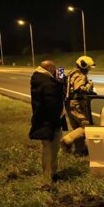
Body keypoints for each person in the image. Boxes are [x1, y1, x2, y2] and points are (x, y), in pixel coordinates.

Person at [29, 60, 65, 190]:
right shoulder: (48, 83)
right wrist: (60, 82)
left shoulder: (39, 79)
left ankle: (53, 175)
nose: (57, 72)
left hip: (45, 121)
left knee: (52, 150)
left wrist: (59, 82)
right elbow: (53, 104)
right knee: (49, 151)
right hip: (49, 123)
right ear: (49, 69)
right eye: (55, 70)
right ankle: (47, 181)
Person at [60, 55, 96, 155]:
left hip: (69, 103)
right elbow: (79, 89)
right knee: (86, 126)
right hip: (77, 103)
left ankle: (79, 151)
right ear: (83, 66)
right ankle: (67, 140)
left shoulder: (71, 73)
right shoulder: (80, 75)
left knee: (77, 128)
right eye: (88, 67)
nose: (89, 70)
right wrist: (89, 85)